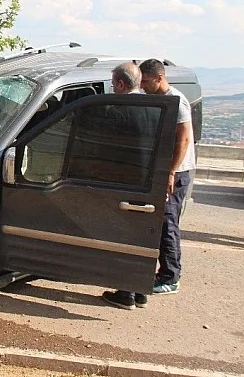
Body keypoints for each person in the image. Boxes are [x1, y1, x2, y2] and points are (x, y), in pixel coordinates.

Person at [139, 58, 196, 295]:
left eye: (146, 81)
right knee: (159, 222)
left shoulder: (177, 101)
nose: (143, 86)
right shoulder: (156, 98)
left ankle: (170, 277)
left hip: (177, 170)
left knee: (167, 222)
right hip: (164, 168)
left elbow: (183, 139)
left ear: (160, 78)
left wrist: (171, 171)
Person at [101, 62, 150, 310]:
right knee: (141, 236)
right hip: (150, 181)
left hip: (123, 181)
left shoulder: (119, 110)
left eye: (112, 84)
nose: (112, 88)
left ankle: (126, 292)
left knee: (123, 236)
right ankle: (140, 290)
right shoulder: (154, 108)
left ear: (120, 84)